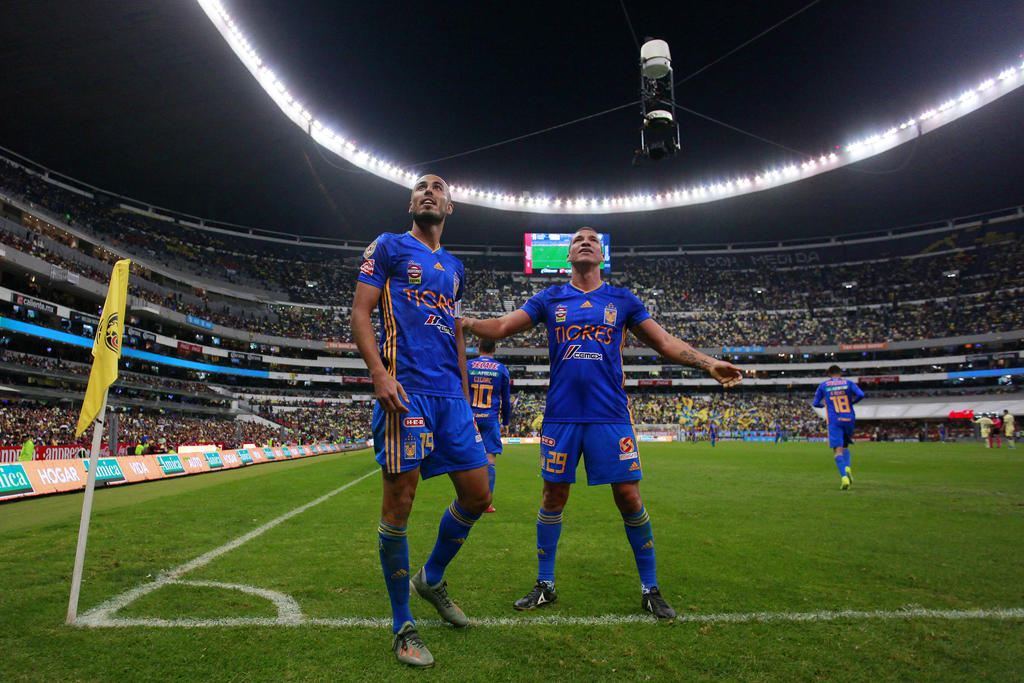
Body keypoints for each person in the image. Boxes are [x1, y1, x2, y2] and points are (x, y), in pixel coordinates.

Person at [462, 227, 743, 622]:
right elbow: (504, 327)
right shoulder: (550, 298)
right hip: (561, 416)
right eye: (577, 239)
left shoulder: (622, 300)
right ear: (568, 256)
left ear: (601, 254)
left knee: (629, 497)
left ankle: (650, 588)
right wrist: (468, 322)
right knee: (552, 498)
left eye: (592, 238)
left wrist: (708, 362)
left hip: (610, 415)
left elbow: (664, 343)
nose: (585, 241)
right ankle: (545, 584)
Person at [351, 174, 491, 669]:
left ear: (450, 206)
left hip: (452, 398)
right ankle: (402, 624)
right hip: (404, 391)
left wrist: (468, 394)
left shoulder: (454, 268)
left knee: (479, 494)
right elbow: (361, 312)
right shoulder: (388, 247)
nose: (428, 191)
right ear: (412, 202)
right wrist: (378, 373)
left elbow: (454, 331)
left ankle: (430, 577)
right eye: (421, 187)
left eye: (438, 187)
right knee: (401, 503)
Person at [466, 337, 511, 513]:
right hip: (491, 418)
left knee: (470, 458)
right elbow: (506, 401)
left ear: (478, 347)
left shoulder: (468, 366)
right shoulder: (501, 369)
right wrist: (505, 422)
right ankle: (486, 503)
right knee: (490, 458)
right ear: (495, 348)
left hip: (470, 418)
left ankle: (468, 498)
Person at [812, 365, 865, 490]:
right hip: (849, 418)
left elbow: (815, 404)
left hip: (834, 420)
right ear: (840, 373)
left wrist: (823, 405)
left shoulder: (824, 385)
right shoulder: (848, 383)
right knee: (845, 445)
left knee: (837, 450)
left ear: (829, 374)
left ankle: (844, 478)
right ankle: (847, 467)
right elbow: (861, 394)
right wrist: (852, 402)